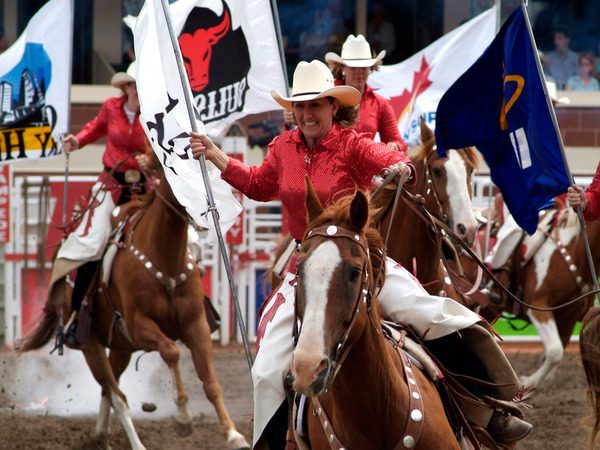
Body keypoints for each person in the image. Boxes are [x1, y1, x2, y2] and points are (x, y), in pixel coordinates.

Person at [190, 60, 532, 449]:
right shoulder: (282, 148)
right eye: (300, 107)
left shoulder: (351, 143)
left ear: (333, 107)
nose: (306, 114)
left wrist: (400, 165)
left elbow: (385, 157)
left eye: (315, 105)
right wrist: (218, 157)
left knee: (437, 315)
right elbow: (258, 183)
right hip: (307, 267)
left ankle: (489, 410)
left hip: (360, 260)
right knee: (267, 371)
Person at [51, 62, 155, 348]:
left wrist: (152, 160)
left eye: (142, 84)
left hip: (146, 187)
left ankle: (197, 307)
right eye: (134, 84)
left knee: (185, 234)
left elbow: (164, 146)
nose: (138, 90)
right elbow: (94, 129)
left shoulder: (157, 113)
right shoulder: (111, 108)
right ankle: (77, 314)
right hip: (113, 185)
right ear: (126, 88)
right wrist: (77, 141)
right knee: (93, 243)